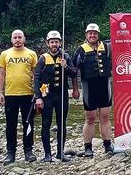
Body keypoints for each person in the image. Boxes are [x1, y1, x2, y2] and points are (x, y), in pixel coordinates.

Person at [33, 31, 79, 162]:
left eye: (56, 42)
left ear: (60, 43)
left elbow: (74, 74)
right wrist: (38, 97)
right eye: (52, 42)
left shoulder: (65, 57)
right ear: (48, 43)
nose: (54, 44)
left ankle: (60, 153)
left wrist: (66, 67)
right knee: (46, 124)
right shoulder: (42, 58)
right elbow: (36, 79)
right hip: (47, 96)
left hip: (61, 95)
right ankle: (47, 154)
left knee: (61, 124)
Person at [0, 29, 38, 163]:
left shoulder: (31, 54)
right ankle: (11, 152)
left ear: (24, 39)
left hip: (28, 94)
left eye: (20, 37)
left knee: (28, 123)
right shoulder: (5, 54)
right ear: (11, 39)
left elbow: (36, 75)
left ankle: (28, 150)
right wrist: (0, 92)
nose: (17, 40)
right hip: (10, 94)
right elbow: (1, 74)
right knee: (10, 125)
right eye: (15, 37)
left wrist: (38, 94)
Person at [73, 23, 114, 156]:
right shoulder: (80, 50)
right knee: (90, 117)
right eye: (90, 33)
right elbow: (74, 71)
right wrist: (75, 89)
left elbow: (124, 38)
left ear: (98, 34)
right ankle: (88, 147)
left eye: (95, 33)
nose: (92, 35)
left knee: (105, 116)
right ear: (86, 35)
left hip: (104, 85)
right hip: (89, 87)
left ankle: (108, 145)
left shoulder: (107, 47)